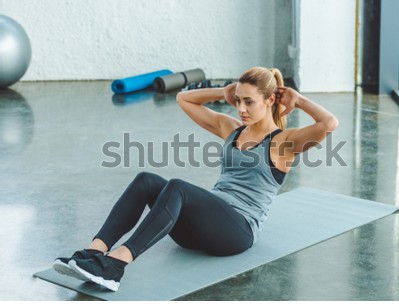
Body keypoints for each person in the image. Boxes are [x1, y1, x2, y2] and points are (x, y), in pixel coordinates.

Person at [53, 66, 338, 291]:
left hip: (236, 233)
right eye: (238, 100)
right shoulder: (233, 129)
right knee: (146, 180)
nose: (241, 109)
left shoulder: (283, 142)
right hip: (202, 228)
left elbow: (328, 124)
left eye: (249, 102)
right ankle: (92, 254)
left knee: (178, 187)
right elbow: (183, 98)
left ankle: (115, 265)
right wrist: (223, 91)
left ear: (271, 100)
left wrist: (298, 100)